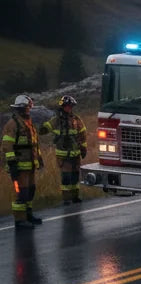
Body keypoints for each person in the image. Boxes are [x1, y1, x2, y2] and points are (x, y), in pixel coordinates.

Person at [3, 94, 43, 228]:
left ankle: (28, 215)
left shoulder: (28, 123)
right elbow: (7, 145)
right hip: (19, 166)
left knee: (30, 191)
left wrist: (39, 158)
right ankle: (20, 221)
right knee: (21, 193)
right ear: (21, 108)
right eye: (27, 107)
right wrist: (12, 164)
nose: (29, 110)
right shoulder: (13, 124)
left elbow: (34, 144)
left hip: (30, 164)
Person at [39, 94, 88, 204]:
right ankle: (66, 199)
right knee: (66, 177)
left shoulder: (76, 120)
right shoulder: (56, 120)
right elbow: (47, 127)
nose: (69, 108)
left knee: (75, 176)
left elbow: (83, 133)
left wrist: (83, 148)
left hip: (75, 154)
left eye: (71, 106)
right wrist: (42, 129)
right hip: (63, 155)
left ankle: (75, 197)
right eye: (67, 106)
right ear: (63, 106)